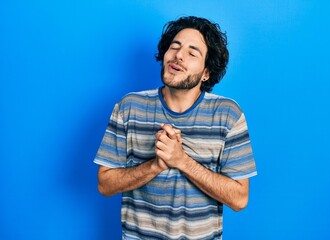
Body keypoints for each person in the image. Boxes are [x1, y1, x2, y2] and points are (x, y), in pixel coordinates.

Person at [94, 16, 257, 240]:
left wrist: (181, 160)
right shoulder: (129, 107)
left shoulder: (227, 114)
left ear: (206, 73)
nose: (178, 55)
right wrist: (156, 165)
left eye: (192, 53)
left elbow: (239, 199)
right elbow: (105, 184)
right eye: (175, 47)